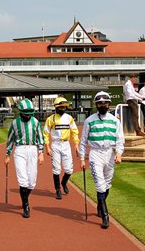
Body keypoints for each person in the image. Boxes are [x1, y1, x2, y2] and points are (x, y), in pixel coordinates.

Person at [79, 91, 124, 229]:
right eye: (99, 103)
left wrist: (119, 153)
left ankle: (100, 204)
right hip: (95, 154)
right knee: (100, 184)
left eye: (105, 103)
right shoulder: (89, 121)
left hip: (110, 153)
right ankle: (105, 216)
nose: (102, 105)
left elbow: (120, 139)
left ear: (109, 104)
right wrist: (82, 158)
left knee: (107, 184)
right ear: (96, 105)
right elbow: (83, 141)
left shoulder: (115, 121)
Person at [5, 98, 44, 218]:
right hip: (20, 150)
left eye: (29, 113)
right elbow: (10, 139)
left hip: (32, 149)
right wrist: (7, 155)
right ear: (20, 112)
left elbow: (40, 138)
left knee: (32, 182)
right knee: (23, 180)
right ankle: (26, 205)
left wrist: (41, 152)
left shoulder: (36, 122)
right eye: (25, 113)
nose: (28, 116)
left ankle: (25, 197)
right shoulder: (15, 123)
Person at [43, 97, 79, 200]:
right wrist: (47, 147)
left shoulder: (69, 118)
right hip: (56, 145)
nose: (63, 109)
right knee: (56, 169)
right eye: (61, 107)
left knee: (69, 169)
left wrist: (76, 144)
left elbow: (74, 131)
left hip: (66, 144)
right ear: (56, 107)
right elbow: (46, 133)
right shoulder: (50, 119)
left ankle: (64, 182)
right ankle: (58, 189)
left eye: (64, 107)